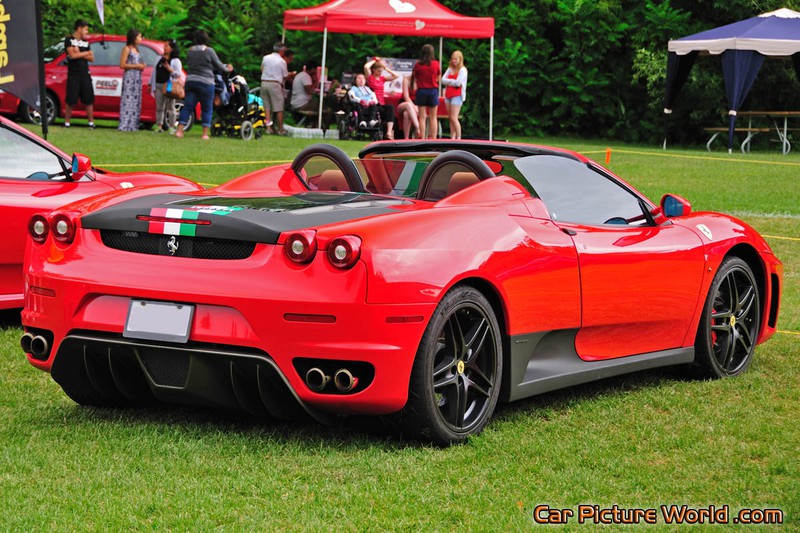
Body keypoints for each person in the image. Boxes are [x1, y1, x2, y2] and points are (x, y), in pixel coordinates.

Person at [176, 30, 233, 140]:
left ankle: (179, 131)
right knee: (206, 108)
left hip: (191, 81)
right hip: (206, 82)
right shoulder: (209, 51)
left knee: (188, 106)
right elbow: (218, 65)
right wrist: (228, 69)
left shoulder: (190, 51)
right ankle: (204, 134)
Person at [64, 19, 95, 128]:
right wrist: (85, 53)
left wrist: (80, 53)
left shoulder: (86, 43)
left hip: (85, 73)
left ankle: (91, 122)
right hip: (73, 73)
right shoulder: (69, 40)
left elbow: (92, 58)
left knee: (88, 98)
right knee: (71, 98)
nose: (87, 32)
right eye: (85, 29)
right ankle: (67, 121)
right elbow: (72, 55)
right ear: (79, 28)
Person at [261, 42, 293, 135]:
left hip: (264, 82)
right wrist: (291, 75)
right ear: (282, 51)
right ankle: (280, 129)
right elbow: (285, 76)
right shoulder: (281, 61)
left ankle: (268, 127)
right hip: (275, 84)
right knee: (278, 108)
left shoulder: (265, 58)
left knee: (266, 107)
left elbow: (262, 69)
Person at [151, 39, 182, 133]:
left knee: (171, 106)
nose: (164, 48)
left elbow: (178, 74)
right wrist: (150, 84)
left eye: (167, 46)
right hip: (159, 84)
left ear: (172, 48)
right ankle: (159, 125)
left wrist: (169, 69)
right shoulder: (159, 58)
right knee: (159, 106)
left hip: (169, 85)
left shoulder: (175, 60)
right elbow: (154, 72)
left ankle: (172, 126)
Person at [364, 57, 398, 140]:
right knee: (385, 110)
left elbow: (395, 76)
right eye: (378, 71)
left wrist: (385, 67)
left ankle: (389, 132)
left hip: (381, 103)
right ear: (374, 70)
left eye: (381, 71)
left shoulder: (382, 79)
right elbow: (366, 67)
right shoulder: (370, 78)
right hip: (374, 104)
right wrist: (374, 60)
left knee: (391, 108)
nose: (380, 73)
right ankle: (388, 132)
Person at [411, 44, 440, 139]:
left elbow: (415, 76)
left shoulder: (418, 64)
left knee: (422, 117)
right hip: (432, 91)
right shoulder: (436, 64)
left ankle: (423, 137)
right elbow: (438, 77)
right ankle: (434, 138)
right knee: (433, 117)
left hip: (421, 91)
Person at [118, 29, 145, 132]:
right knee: (128, 99)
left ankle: (133, 124)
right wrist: (136, 66)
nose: (140, 39)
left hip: (137, 78)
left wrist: (141, 66)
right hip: (130, 77)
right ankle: (125, 123)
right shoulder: (127, 49)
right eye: (138, 37)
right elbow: (122, 64)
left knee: (136, 99)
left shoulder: (137, 50)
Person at [441, 50, 467, 139]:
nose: (453, 61)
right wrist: (452, 82)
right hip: (448, 95)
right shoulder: (450, 69)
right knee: (450, 118)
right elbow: (442, 80)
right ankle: (452, 137)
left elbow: (458, 83)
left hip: (457, 95)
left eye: (455, 59)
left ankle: (459, 137)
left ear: (460, 59)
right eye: (452, 59)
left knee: (454, 117)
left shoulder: (463, 70)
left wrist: (449, 82)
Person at [396, 75, 419, 139]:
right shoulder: (406, 79)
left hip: (416, 104)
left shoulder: (422, 81)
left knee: (406, 114)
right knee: (408, 105)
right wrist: (414, 107)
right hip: (404, 103)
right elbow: (406, 97)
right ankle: (418, 127)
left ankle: (406, 137)